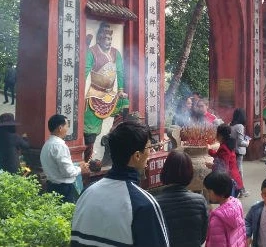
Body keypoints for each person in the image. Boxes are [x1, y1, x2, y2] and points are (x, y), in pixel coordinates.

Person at [71, 121, 170, 246]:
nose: (150, 153)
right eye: (149, 148)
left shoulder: (87, 193)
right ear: (137, 156)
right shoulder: (142, 204)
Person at [84, 22, 129, 162]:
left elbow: (121, 72)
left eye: (109, 38)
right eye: (104, 38)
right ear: (98, 38)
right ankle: (88, 156)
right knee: (90, 125)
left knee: (126, 104)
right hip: (94, 93)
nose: (107, 41)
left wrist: (120, 89)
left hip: (110, 93)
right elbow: (85, 71)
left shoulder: (116, 53)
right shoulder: (91, 52)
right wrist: (81, 91)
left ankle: (115, 137)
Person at [154, 150, 208, 246]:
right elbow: (202, 236)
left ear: (165, 171)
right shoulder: (200, 201)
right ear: (190, 172)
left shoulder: (155, 204)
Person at [40, 114, 88, 203]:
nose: (67, 129)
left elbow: (57, 166)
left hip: (52, 186)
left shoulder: (47, 144)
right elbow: (68, 172)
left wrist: (76, 165)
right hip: (63, 189)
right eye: (67, 126)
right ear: (60, 128)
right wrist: (80, 169)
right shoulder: (59, 146)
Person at [203, 171, 246, 247]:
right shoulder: (237, 204)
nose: (208, 194)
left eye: (209, 191)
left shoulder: (216, 220)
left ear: (216, 191)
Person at [207, 124, 243, 197]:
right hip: (235, 179)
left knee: (228, 204)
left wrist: (212, 166)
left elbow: (224, 167)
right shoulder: (228, 144)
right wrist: (210, 150)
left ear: (220, 135)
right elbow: (219, 155)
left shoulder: (224, 147)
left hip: (231, 181)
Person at [230, 108, 250, 197]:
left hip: (232, 150)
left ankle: (239, 190)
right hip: (239, 151)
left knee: (235, 171)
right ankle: (241, 190)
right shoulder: (240, 126)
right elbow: (240, 142)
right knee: (239, 171)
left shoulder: (230, 125)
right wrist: (248, 142)